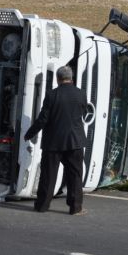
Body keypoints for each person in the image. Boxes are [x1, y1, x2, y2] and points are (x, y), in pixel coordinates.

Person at [23, 65, 88, 215]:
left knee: (48, 175)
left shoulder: (52, 95)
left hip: (53, 142)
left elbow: (43, 119)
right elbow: (83, 113)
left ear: (58, 79)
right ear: (71, 78)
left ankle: (42, 205)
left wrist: (30, 133)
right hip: (75, 141)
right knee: (75, 175)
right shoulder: (81, 94)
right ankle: (75, 207)